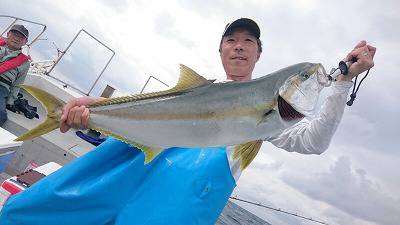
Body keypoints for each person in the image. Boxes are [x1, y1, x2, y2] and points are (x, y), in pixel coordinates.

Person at [0, 18, 376, 225]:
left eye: (249, 41)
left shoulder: (272, 117)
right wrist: (91, 108)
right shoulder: (195, 91)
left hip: (169, 210)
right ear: (222, 50)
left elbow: (313, 142)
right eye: (232, 40)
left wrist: (341, 82)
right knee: (30, 213)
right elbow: (147, 108)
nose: (240, 46)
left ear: (260, 54)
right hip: (114, 183)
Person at [0, 24, 30, 126]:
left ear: (25, 42)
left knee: (1, 114)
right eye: (14, 34)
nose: (17, 38)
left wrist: (10, 102)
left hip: (2, 87)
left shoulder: (25, 63)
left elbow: (18, 84)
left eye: (21, 37)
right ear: (8, 34)